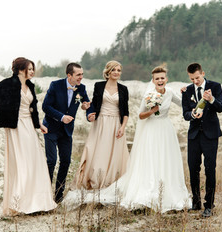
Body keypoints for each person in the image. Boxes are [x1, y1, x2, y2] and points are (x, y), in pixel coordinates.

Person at [63, 65, 191, 213]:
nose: (160, 80)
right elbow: (140, 115)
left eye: (162, 78)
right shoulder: (149, 94)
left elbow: (183, 103)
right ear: (153, 80)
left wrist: (186, 94)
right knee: (150, 158)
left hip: (166, 129)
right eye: (157, 78)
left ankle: (166, 189)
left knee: (166, 159)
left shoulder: (169, 92)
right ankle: (146, 188)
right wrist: (152, 111)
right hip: (145, 129)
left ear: (166, 79)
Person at [0, 57, 57, 215]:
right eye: (30, 68)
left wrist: (39, 125)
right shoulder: (9, 83)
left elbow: (32, 108)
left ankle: (38, 202)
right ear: (21, 69)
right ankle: (21, 203)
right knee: (22, 163)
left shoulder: (30, 85)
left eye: (33, 69)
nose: (33, 71)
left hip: (29, 126)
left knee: (35, 162)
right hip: (15, 127)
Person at [70, 60, 129, 190]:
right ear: (108, 71)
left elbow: (126, 112)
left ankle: (111, 183)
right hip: (100, 123)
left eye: (119, 70)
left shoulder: (124, 89)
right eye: (114, 70)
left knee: (114, 154)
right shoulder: (99, 86)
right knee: (96, 152)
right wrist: (87, 110)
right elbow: (94, 106)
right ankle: (95, 181)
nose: (116, 72)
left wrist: (123, 127)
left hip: (116, 124)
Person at [42, 62, 94, 202]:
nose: (81, 77)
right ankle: (44, 195)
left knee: (66, 161)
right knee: (51, 161)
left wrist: (88, 111)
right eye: (78, 75)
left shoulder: (81, 88)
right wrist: (61, 117)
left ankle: (58, 195)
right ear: (69, 75)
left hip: (67, 131)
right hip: (51, 128)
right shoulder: (55, 85)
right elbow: (45, 106)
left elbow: (87, 104)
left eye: (82, 74)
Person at [181, 62, 222, 218]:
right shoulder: (187, 90)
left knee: (210, 169)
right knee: (193, 169)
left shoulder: (216, 86)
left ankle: (209, 205)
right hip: (193, 135)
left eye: (197, 78)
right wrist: (191, 115)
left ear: (203, 73)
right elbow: (185, 113)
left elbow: (220, 107)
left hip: (210, 135)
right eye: (192, 79)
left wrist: (211, 99)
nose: (195, 81)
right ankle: (196, 202)